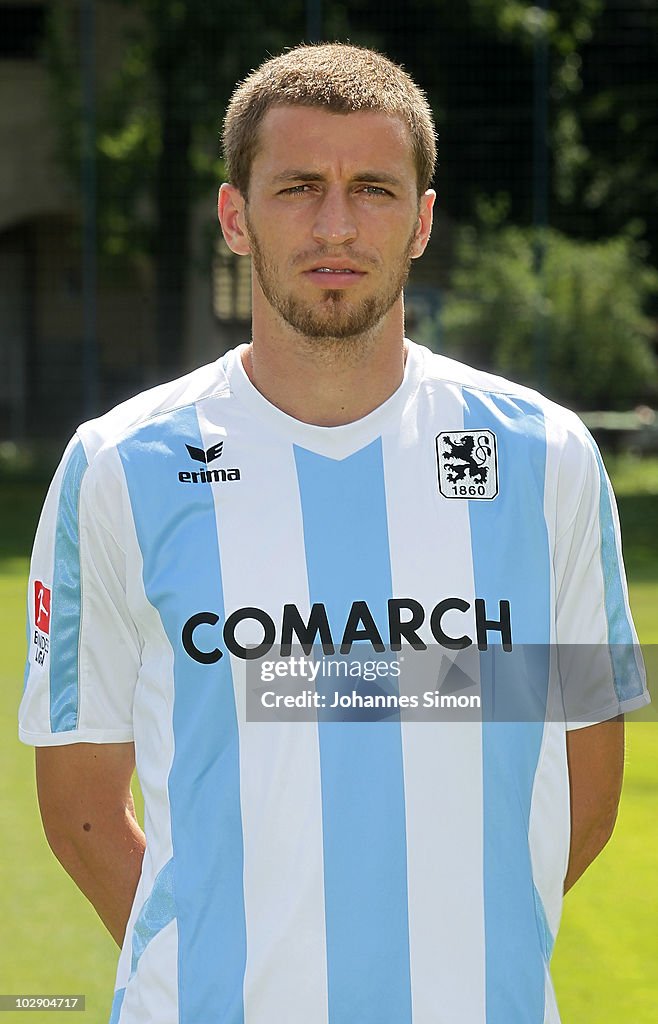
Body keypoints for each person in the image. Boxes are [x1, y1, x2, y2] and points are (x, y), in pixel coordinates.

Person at [19, 42, 648, 1024]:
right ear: (236, 215)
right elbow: (79, 804)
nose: (335, 224)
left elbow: (586, 780)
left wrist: (453, 953)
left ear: (422, 222)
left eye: (373, 189)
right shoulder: (120, 465)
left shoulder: (542, 457)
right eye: (298, 187)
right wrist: (221, 966)